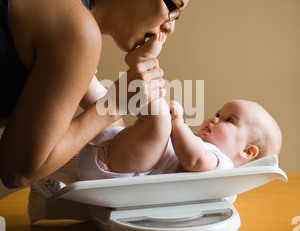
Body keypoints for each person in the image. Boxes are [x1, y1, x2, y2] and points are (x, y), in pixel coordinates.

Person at [0, 0, 201, 188]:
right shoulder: (77, 29)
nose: (170, 26)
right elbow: (18, 171)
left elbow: (112, 133)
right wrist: (114, 103)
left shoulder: (66, 9)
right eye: (172, 7)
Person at [76, 35, 282, 181]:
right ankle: (81, 74)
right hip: (119, 157)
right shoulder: (198, 142)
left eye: (229, 120)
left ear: (247, 151)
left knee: (160, 121)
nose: (215, 119)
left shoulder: (222, 166)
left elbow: (193, 159)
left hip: (120, 172)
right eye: (219, 114)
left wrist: (177, 123)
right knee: (111, 114)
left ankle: (143, 64)